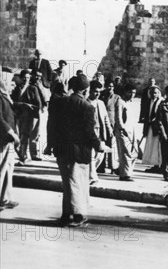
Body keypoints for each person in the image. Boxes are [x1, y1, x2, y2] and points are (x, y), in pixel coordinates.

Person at [46, 75, 104, 226]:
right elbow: (89, 133)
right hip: (80, 152)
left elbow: (51, 125)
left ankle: (67, 215)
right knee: (77, 183)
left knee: (68, 183)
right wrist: (99, 145)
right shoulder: (87, 107)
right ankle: (76, 215)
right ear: (85, 90)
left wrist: (50, 144)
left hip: (62, 149)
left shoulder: (60, 102)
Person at [10, 69, 44, 164]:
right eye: (24, 78)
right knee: (19, 135)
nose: (26, 80)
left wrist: (32, 109)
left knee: (27, 135)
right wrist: (22, 104)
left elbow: (38, 103)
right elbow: (12, 102)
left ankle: (25, 156)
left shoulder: (33, 88)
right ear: (21, 78)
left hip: (30, 116)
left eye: (28, 78)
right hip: (19, 115)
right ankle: (22, 155)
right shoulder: (17, 89)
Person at [87, 80, 112, 186]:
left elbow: (105, 117)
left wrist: (109, 129)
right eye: (95, 91)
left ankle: (90, 172)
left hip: (100, 132)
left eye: (99, 92)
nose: (97, 94)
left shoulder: (101, 103)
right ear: (90, 91)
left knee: (100, 155)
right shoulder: (85, 102)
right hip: (89, 132)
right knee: (91, 155)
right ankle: (93, 177)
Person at [0, 72, 20, 211]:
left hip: (8, 140)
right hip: (3, 138)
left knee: (8, 168)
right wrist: (11, 133)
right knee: (1, 168)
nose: (13, 86)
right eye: (11, 83)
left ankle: (4, 198)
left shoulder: (6, 97)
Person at [114, 84, 137, 181]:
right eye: (130, 92)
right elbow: (118, 118)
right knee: (125, 152)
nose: (132, 95)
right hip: (123, 131)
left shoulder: (130, 103)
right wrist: (122, 129)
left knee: (134, 152)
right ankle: (125, 175)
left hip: (131, 131)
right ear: (125, 92)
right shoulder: (120, 102)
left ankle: (122, 170)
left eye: (134, 93)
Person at [141, 85, 163, 173]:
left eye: (155, 93)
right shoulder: (148, 102)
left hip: (157, 128)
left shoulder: (161, 102)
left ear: (158, 93)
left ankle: (160, 165)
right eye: (152, 93)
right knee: (152, 146)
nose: (154, 94)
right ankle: (155, 164)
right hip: (150, 127)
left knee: (158, 146)